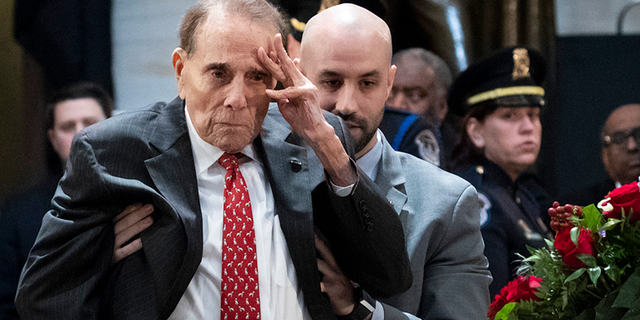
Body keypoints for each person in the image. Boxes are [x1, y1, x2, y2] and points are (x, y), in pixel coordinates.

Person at [15, 1, 411, 319]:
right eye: (218, 73)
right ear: (181, 71)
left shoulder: (312, 139)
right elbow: (43, 298)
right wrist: (95, 256)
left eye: (257, 77)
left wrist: (330, 150)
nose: (237, 98)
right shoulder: (114, 152)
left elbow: (391, 275)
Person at [296, 4, 490, 319]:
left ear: (389, 83)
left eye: (367, 83)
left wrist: (363, 311)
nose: (347, 105)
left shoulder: (445, 204)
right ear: (301, 76)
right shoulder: (258, 176)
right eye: (331, 82)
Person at [0, 81, 112, 320]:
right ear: (52, 139)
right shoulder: (18, 215)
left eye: (91, 123)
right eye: (68, 127)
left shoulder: (141, 198)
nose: (81, 134)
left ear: (113, 127)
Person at [448, 46, 554, 299]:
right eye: (509, 115)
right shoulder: (475, 196)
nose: (528, 127)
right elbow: (490, 301)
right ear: (476, 131)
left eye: (533, 114)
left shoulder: (523, 195)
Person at [384, 47, 456, 167]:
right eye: (390, 93)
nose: (397, 104)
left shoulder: (459, 164)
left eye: (414, 96)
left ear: (442, 106)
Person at [560, 104, 640, 206]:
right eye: (619, 138)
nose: (632, 146)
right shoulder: (577, 208)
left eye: (639, 135)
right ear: (605, 154)